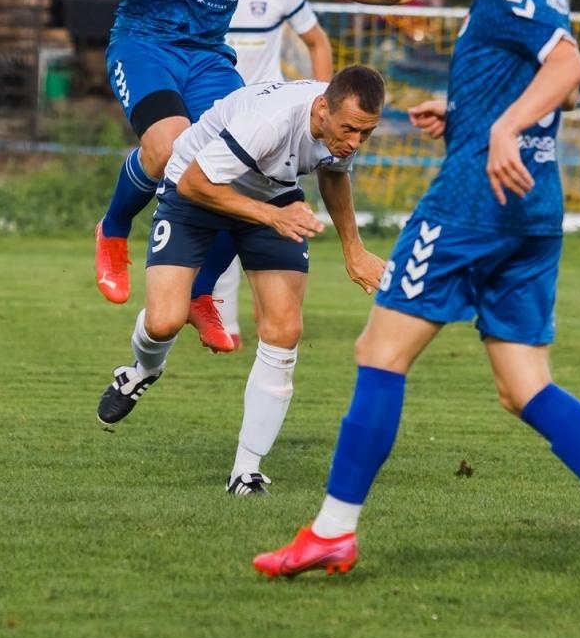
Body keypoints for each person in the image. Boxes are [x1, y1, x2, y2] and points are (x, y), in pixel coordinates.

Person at [252, 0, 580, 600]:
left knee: (379, 352)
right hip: (535, 208)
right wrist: (471, 118)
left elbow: (567, 67)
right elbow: (566, 88)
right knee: (524, 387)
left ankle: (331, 530)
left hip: (471, 208)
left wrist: (502, 129)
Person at [66, 0, 425, 355]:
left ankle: (202, 292)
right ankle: (113, 230)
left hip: (209, 55)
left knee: (249, 168)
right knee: (167, 151)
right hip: (145, 44)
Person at [96, 66, 387, 497]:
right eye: (349, 131)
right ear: (322, 108)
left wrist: (354, 251)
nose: (353, 143)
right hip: (195, 188)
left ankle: (246, 472)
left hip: (272, 193)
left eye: (365, 135)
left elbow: (333, 174)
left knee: (285, 329)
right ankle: (140, 370)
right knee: (163, 322)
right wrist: (273, 217)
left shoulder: (343, 124)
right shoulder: (269, 122)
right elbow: (197, 183)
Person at [195, 0, 334, 352]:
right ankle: (223, 319)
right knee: (220, 211)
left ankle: (261, 316)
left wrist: (325, 106)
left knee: (267, 216)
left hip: (276, 127)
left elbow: (318, 42)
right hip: (219, 118)